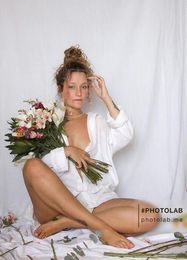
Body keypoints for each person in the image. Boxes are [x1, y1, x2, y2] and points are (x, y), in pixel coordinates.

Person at [23, 46, 159, 249]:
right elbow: (40, 169)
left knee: (151, 214)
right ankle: (100, 228)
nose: (79, 93)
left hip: (99, 202)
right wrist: (66, 151)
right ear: (61, 89)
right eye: (72, 87)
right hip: (54, 207)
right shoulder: (46, 122)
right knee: (31, 166)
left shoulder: (97, 123)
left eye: (84, 87)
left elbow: (126, 135)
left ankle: (71, 221)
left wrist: (106, 98)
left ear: (89, 91)